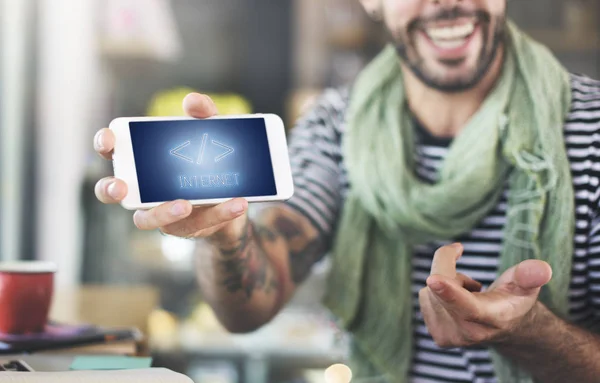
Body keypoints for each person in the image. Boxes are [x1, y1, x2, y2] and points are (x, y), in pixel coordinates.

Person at [93, 0, 600, 382]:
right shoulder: (335, 124)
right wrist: (227, 236)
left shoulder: (592, 126)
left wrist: (533, 333)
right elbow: (248, 307)